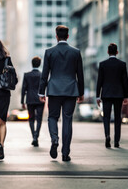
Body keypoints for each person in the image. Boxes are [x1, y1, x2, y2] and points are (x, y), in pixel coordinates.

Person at [38, 25, 84, 162]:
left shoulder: (49, 52)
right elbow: (80, 75)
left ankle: (54, 139)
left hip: (54, 90)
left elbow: (45, 74)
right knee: (67, 120)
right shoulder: (76, 52)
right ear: (68, 36)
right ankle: (65, 153)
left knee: (52, 117)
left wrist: (41, 92)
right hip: (71, 90)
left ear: (56, 36)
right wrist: (80, 93)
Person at [96, 43, 128, 148]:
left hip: (106, 94)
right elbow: (125, 81)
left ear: (107, 52)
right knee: (117, 117)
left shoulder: (103, 64)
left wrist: (98, 96)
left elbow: (99, 81)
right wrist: (126, 96)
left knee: (106, 117)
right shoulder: (122, 64)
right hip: (119, 94)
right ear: (117, 52)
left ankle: (107, 135)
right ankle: (116, 141)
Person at [21, 56, 45, 147]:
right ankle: (36, 136)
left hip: (30, 99)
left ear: (32, 64)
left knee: (31, 119)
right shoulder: (42, 75)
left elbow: (24, 89)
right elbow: (44, 87)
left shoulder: (27, 75)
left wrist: (22, 102)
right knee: (39, 119)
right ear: (39, 64)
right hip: (40, 99)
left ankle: (33, 136)